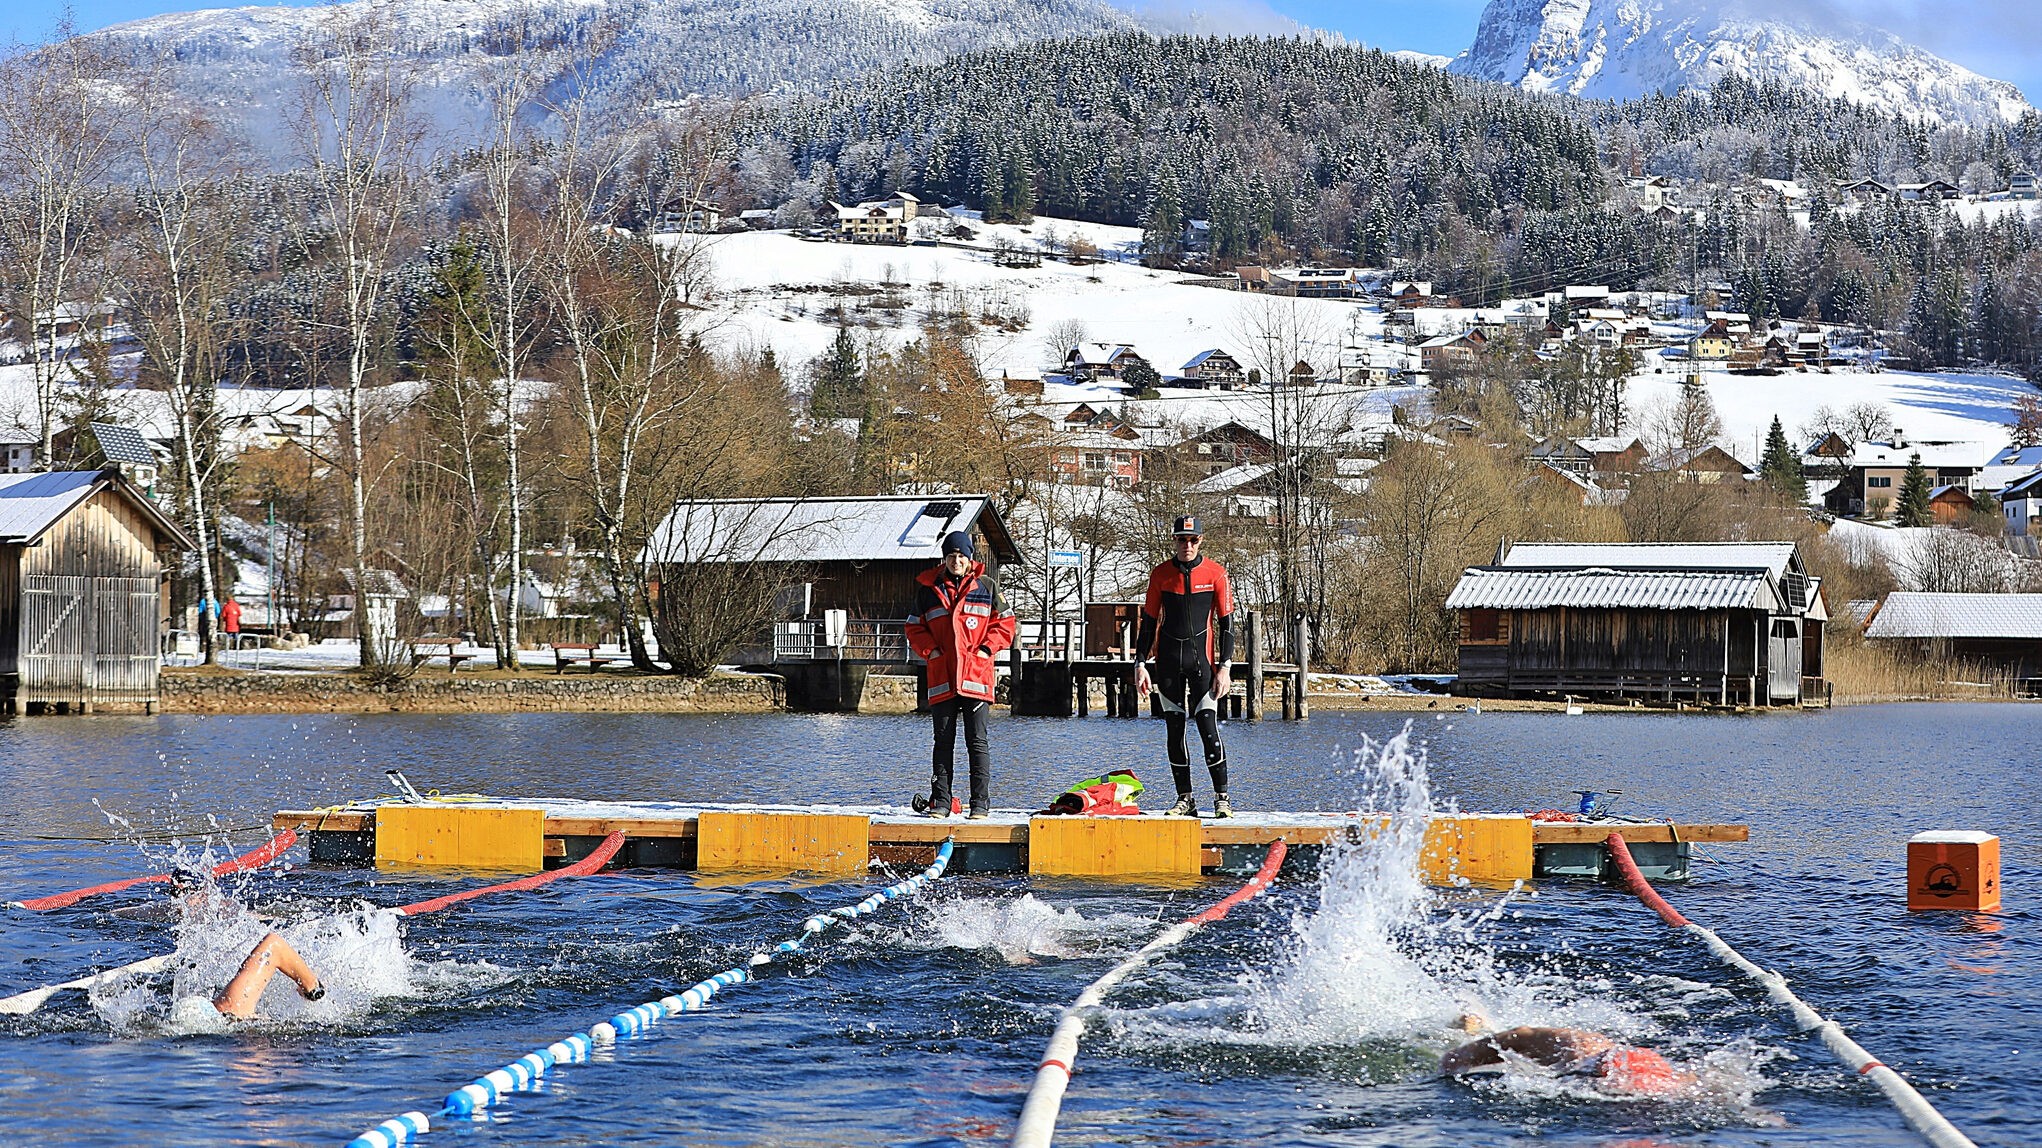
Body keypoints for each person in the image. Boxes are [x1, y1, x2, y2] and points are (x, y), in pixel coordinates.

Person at [905, 530, 1016, 820]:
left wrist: (985, 650)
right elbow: (914, 628)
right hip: (942, 677)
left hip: (976, 678)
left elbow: (1005, 625)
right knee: (942, 742)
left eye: (961, 556)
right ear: (945, 558)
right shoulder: (927, 591)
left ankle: (980, 804)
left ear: (970, 559)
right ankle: (941, 802)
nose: (957, 561)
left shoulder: (987, 587)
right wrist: (931, 651)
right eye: (951, 556)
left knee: (977, 741)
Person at [1133, 515, 1235, 818]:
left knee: (1207, 728)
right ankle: (1185, 798)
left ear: (1200, 541)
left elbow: (1227, 624)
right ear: (1174, 540)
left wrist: (1225, 667)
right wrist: (1140, 664)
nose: (1187, 545)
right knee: (1174, 731)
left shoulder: (1216, 573)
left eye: (1192, 540)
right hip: (1167, 663)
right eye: (1181, 539)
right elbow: (1149, 623)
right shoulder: (1161, 574)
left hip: (1201, 663)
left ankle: (1222, 798)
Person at [1441, 1011, 1695, 1096]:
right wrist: (1456, 1061)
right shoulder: (1582, 1049)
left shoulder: (1676, 1087)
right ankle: (1472, 1023)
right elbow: (1520, 1034)